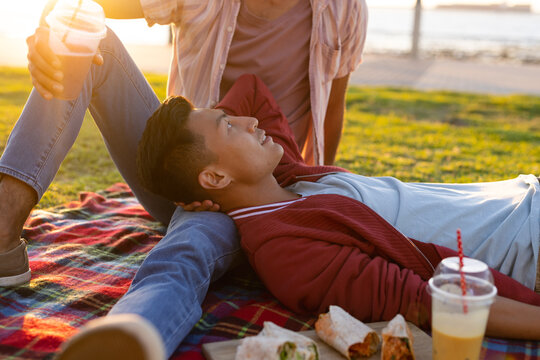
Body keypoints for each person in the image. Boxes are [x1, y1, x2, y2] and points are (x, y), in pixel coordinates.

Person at [0, 0, 368, 358]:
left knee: (184, 253)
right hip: (183, 178)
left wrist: (315, 196)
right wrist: (51, 34)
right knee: (93, 43)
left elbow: (332, 108)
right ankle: (3, 226)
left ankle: (131, 333)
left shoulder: (344, 8)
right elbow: (83, 5)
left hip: (262, 194)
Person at [137, 74, 540, 341]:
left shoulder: (287, 179)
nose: (249, 121)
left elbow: (251, 89)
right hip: (528, 243)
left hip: (527, 196)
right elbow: (427, 301)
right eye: (229, 126)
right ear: (216, 179)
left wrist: (203, 169)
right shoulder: (285, 249)